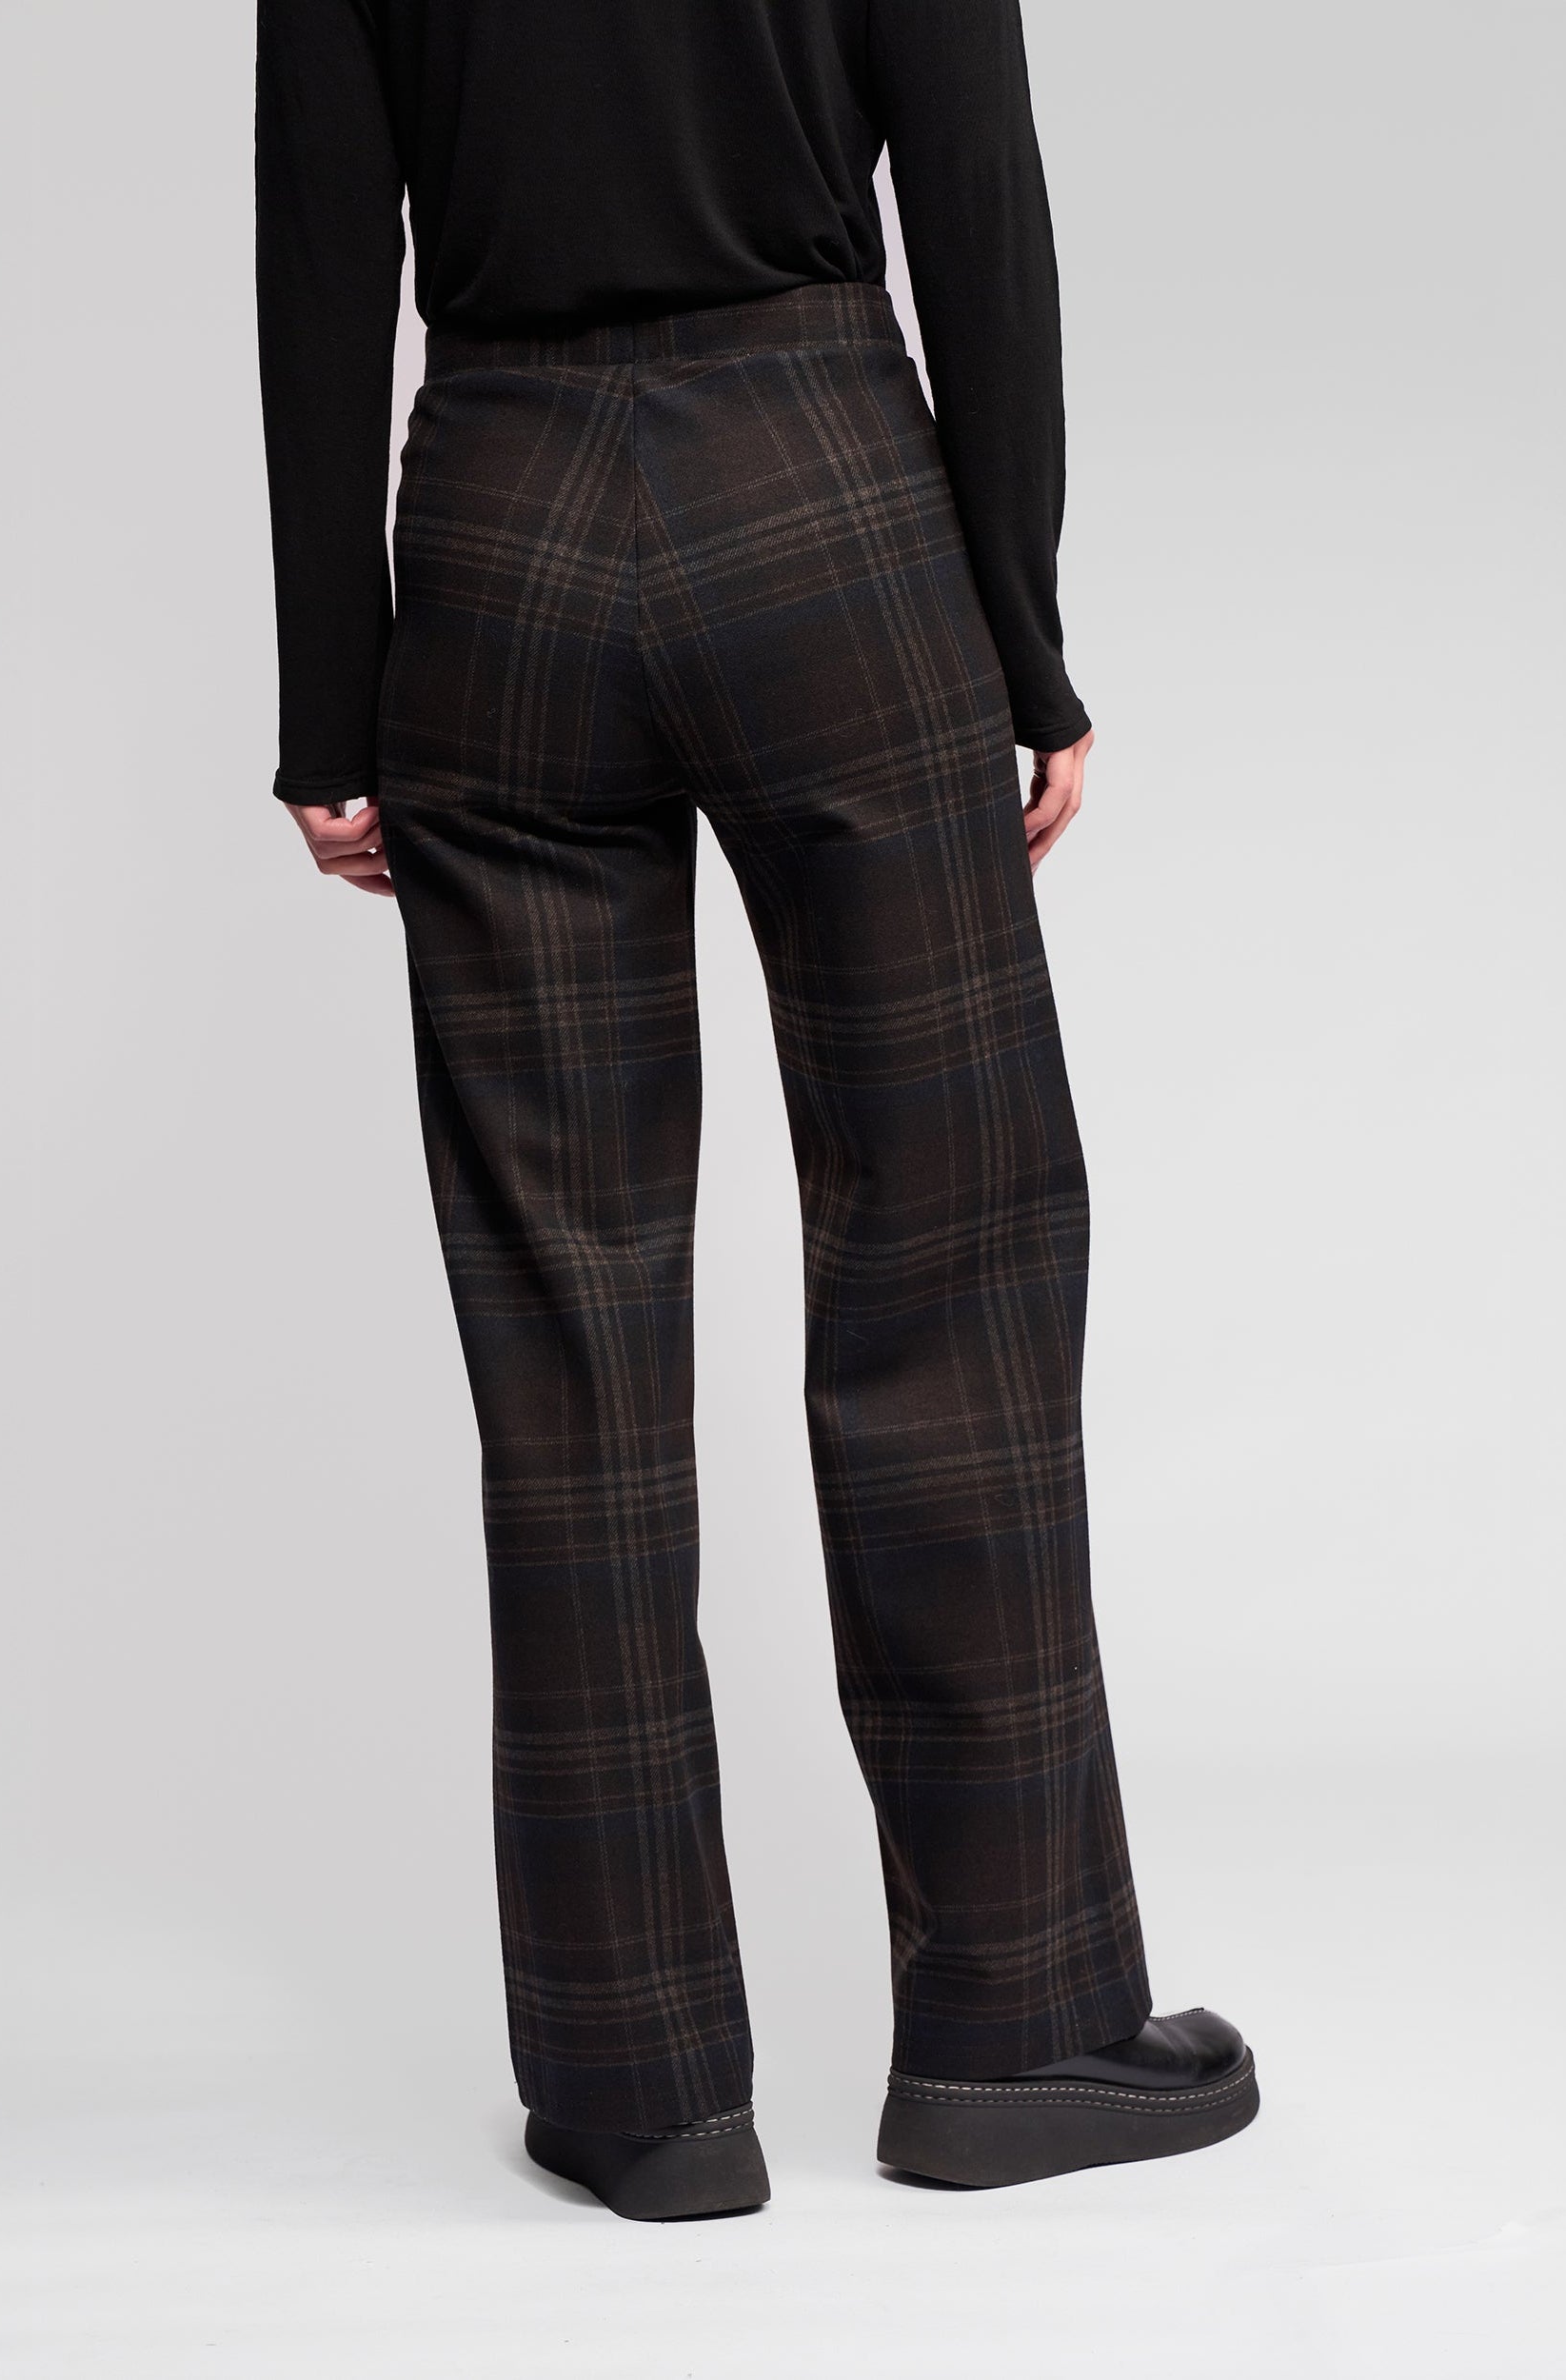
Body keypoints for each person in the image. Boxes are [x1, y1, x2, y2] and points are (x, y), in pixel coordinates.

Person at [255, 0, 1256, 2222]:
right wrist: (1023, 630)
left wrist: (333, 695)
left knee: (568, 1323)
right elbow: (975, 185)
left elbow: (321, 242)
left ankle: (638, 2089)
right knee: (950, 1257)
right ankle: (1016, 2026)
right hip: (829, 513)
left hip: (499, 526)